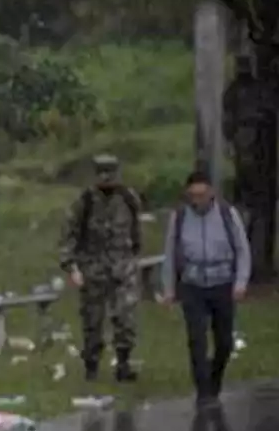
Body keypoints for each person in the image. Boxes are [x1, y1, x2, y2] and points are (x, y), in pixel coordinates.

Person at [158, 170, 251, 408]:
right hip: (193, 284)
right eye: (193, 196)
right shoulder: (179, 217)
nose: (197, 201)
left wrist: (240, 283)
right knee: (197, 339)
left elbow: (242, 250)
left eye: (202, 195)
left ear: (212, 193)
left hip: (222, 282)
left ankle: (214, 378)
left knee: (224, 342)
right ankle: (203, 392)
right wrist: (169, 289)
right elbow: (170, 254)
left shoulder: (227, 214)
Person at [59, 153, 144, 382]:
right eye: (102, 174)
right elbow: (70, 234)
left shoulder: (128, 198)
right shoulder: (85, 201)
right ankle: (92, 365)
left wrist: (134, 256)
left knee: (125, 318)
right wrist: (71, 266)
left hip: (122, 268)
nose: (107, 179)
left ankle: (123, 363)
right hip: (93, 269)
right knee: (92, 320)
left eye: (111, 174)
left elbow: (136, 231)